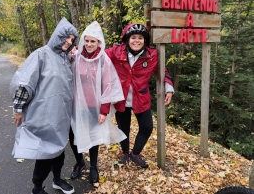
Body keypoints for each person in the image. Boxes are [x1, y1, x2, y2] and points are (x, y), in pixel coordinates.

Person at [10, 17, 78, 194]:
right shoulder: (41, 54)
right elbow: (26, 82)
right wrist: (18, 108)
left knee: (59, 151)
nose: (69, 41)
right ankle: (37, 187)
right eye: (67, 37)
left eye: (72, 39)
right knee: (45, 153)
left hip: (61, 117)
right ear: (58, 35)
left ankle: (57, 180)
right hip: (43, 115)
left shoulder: (65, 59)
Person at [105, 23, 174, 169]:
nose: (137, 41)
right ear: (127, 39)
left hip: (141, 98)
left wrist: (169, 88)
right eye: (133, 38)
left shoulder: (152, 55)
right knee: (123, 128)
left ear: (145, 40)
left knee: (147, 127)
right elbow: (98, 56)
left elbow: (163, 71)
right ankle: (124, 152)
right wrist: (78, 51)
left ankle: (135, 153)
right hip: (120, 98)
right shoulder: (117, 51)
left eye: (140, 38)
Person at [69, 21, 126, 183]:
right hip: (77, 104)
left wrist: (104, 110)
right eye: (86, 40)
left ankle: (93, 166)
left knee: (94, 136)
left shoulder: (103, 60)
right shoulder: (76, 56)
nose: (89, 44)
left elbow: (108, 85)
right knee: (73, 134)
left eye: (92, 41)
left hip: (95, 105)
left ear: (99, 42)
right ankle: (80, 163)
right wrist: (70, 55)